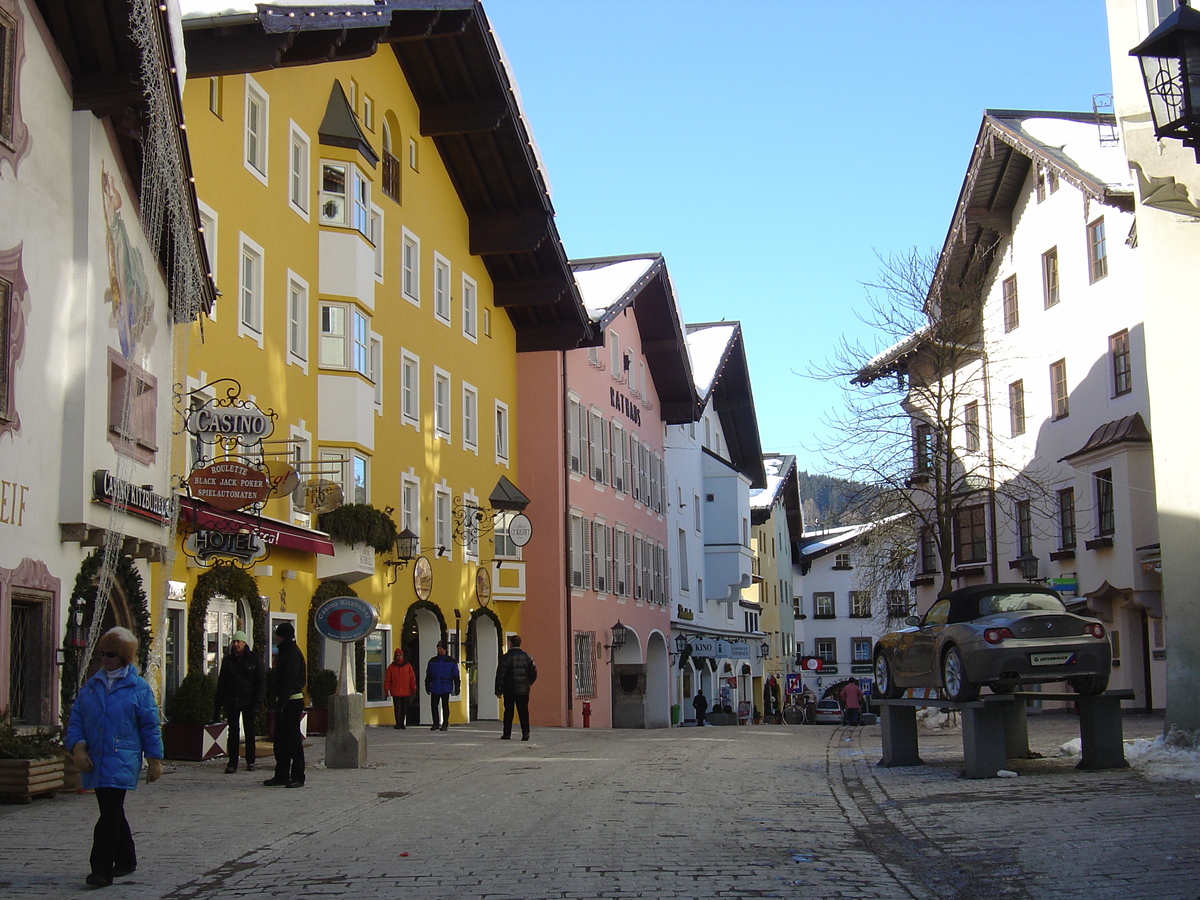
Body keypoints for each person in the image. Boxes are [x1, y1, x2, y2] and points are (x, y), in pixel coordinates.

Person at [65, 626, 164, 888]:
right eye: (102, 654)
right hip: (96, 758)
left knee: (108, 814)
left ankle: (101, 869)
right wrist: (77, 746)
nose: (104, 659)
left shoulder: (138, 688)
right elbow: (76, 718)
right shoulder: (92, 686)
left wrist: (154, 759)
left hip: (122, 758)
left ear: (124, 657)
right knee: (112, 810)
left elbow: (149, 725)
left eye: (110, 654)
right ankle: (126, 859)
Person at [213, 629, 266, 773]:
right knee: (233, 733)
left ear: (245, 643)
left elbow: (261, 682)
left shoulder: (254, 659)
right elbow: (222, 683)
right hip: (233, 700)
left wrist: (257, 702)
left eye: (239, 642)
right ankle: (232, 762)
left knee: (249, 732)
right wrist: (217, 706)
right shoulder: (228, 661)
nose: (236, 644)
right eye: (234, 642)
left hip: (249, 700)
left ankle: (251, 761)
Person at [264, 621, 306, 788]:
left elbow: (288, 680)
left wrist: (281, 704)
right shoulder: (285, 652)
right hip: (284, 700)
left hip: (292, 701)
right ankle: (281, 775)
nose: (275, 637)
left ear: (282, 636)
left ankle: (297, 776)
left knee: (293, 740)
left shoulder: (292, 654)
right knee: (280, 741)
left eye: (277, 634)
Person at [494, 634, 537, 740]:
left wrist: (498, 690)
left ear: (511, 644)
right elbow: (534, 673)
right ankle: (525, 733)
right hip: (523, 690)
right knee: (523, 712)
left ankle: (507, 733)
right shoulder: (527, 657)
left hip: (509, 689)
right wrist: (527, 683)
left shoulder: (506, 657)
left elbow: (501, 675)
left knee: (508, 711)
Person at [425, 641, 460, 732]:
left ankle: (445, 723)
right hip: (435, 685)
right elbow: (428, 674)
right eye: (438, 649)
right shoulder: (432, 661)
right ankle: (435, 723)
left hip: (445, 686)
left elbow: (455, 675)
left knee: (445, 706)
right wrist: (427, 684)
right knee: (434, 705)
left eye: (441, 649)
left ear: (445, 650)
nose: (439, 650)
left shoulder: (451, 662)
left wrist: (457, 686)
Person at [384, 648, 417, 729]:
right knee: (397, 708)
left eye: (401, 655)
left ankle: (402, 722)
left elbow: (412, 678)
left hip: (405, 691)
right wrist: (386, 690)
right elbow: (387, 680)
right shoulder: (391, 667)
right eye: (398, 655)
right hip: (395, 691)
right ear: (395, 656)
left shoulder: (407, 666)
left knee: (404, 708)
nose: (399, 657)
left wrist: (413, 689)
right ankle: (398, 723)